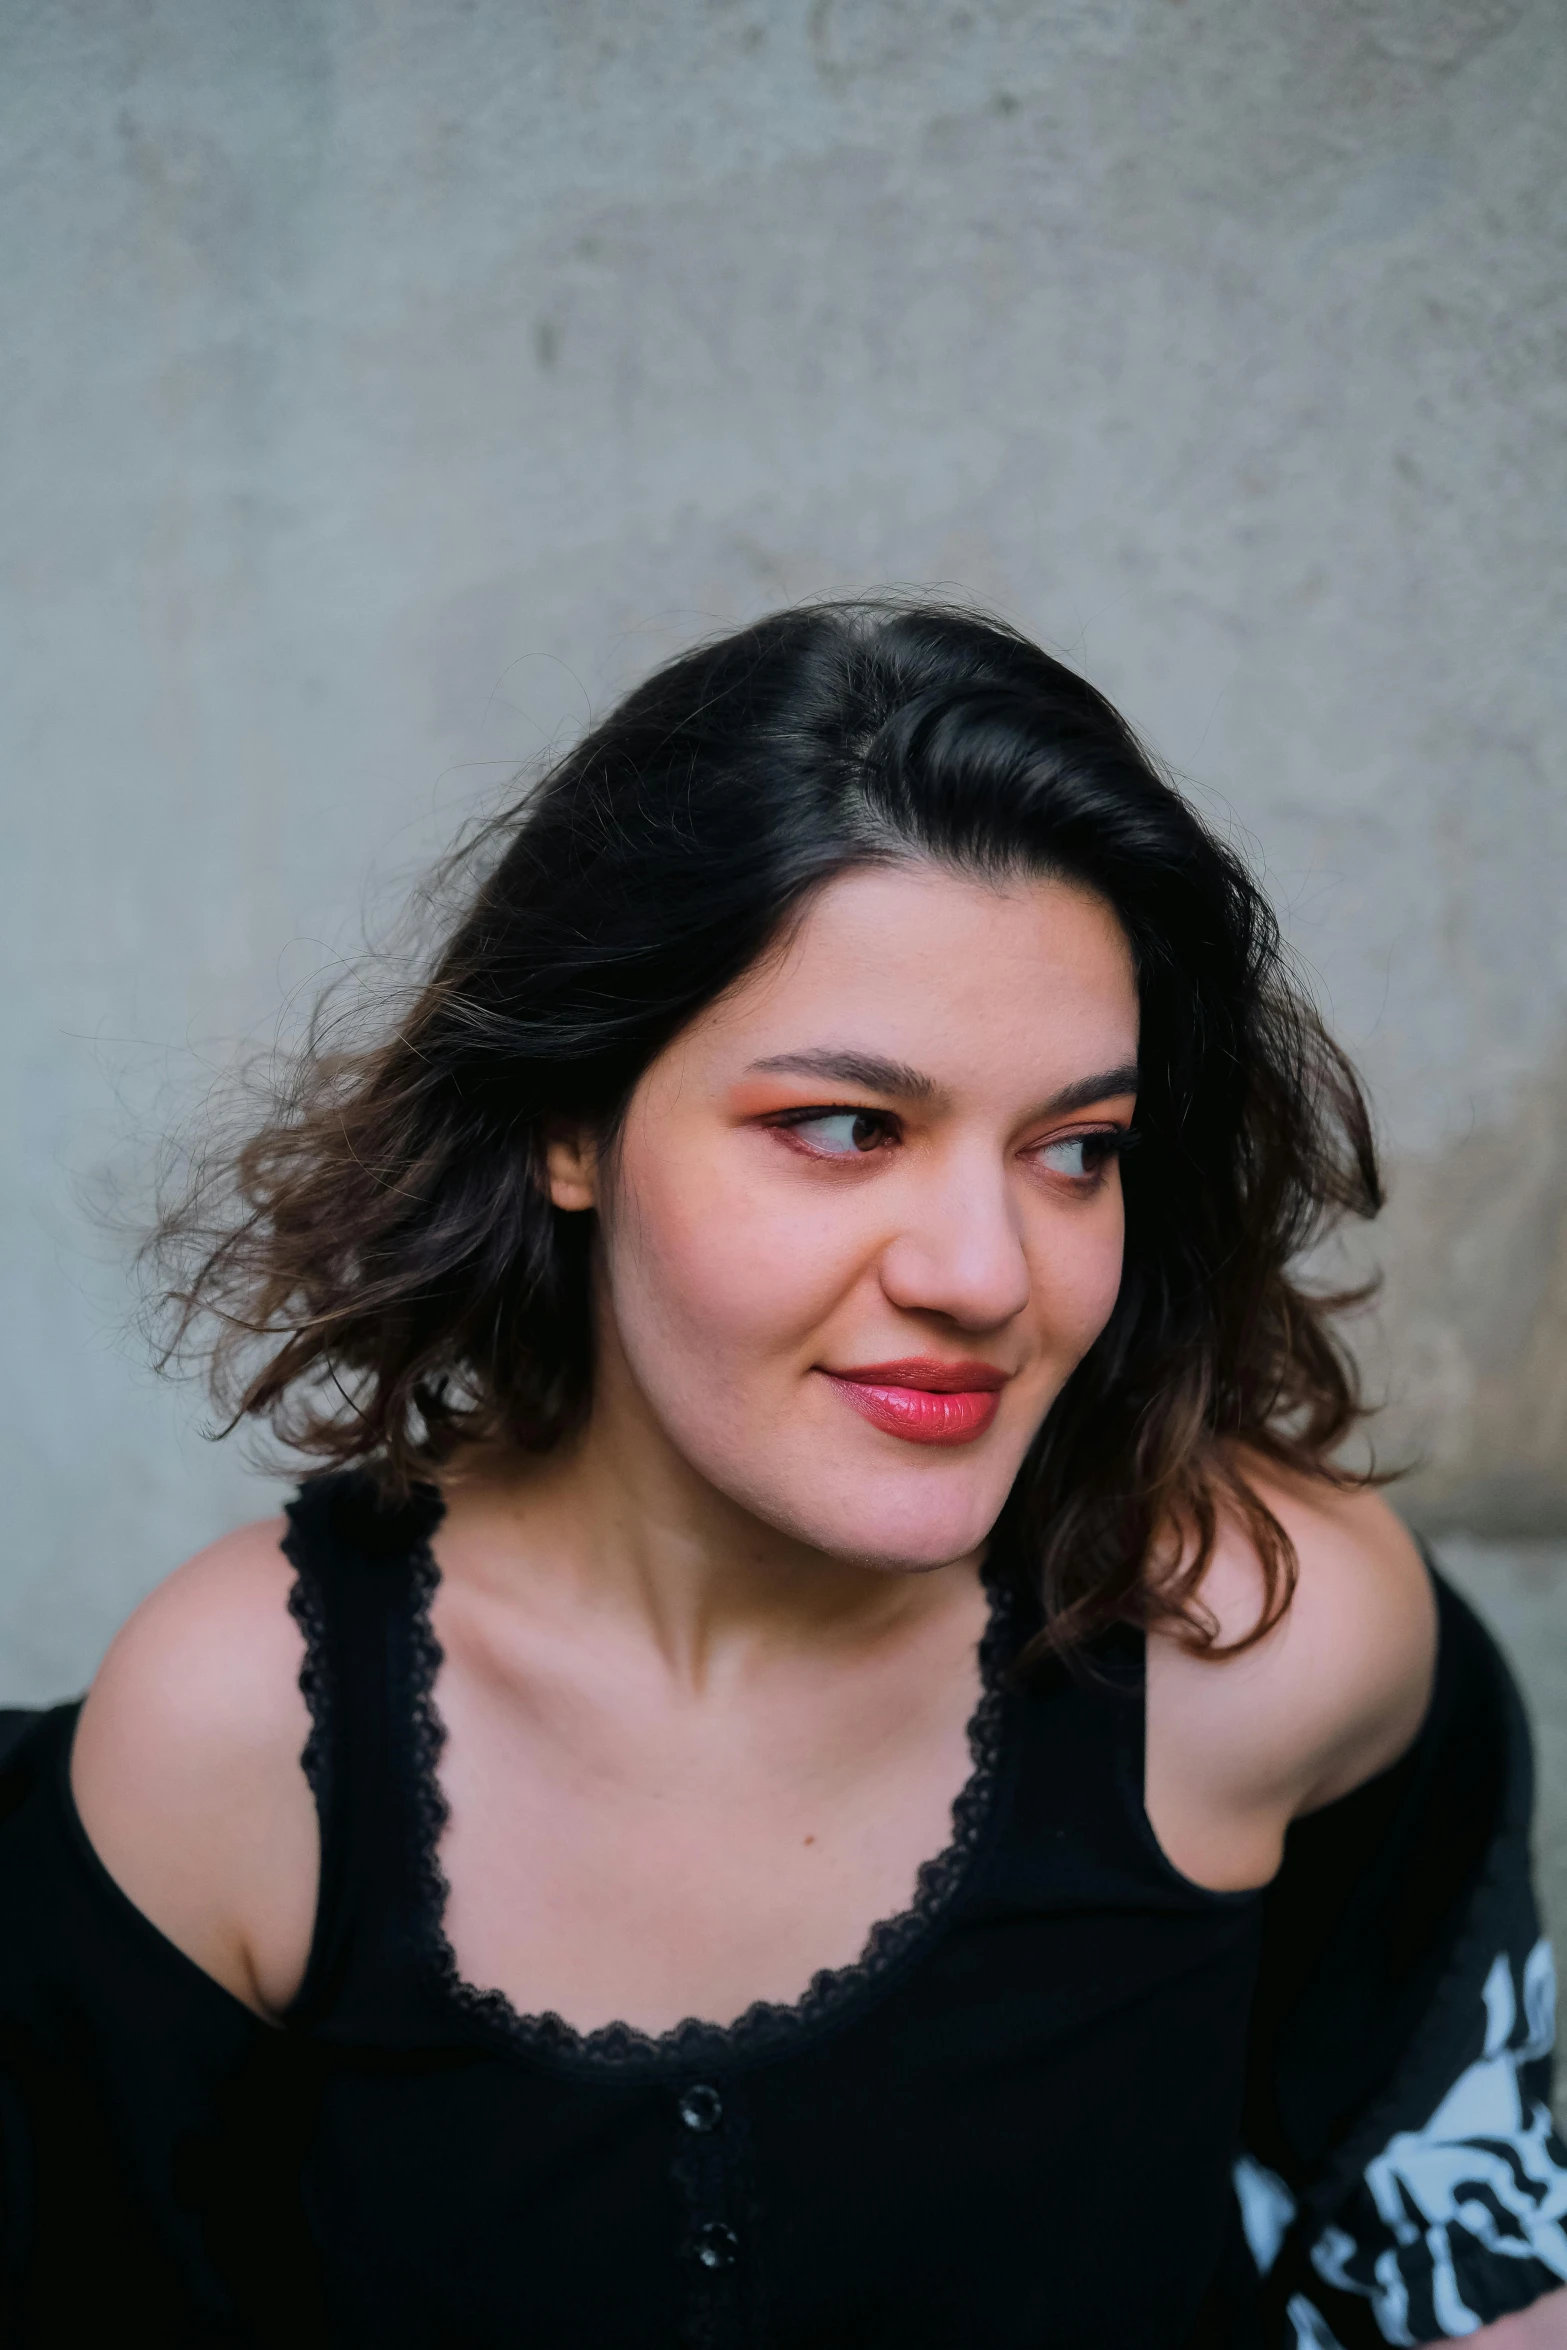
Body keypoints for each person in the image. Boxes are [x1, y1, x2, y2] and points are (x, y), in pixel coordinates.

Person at [1, 600, 1563, 2346]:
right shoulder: (236, 1745)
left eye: (1075, 1150)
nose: (984, 1271)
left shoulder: (1266, 1638)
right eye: (843, 1126)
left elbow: (1469, 2253)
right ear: (571, 1126)